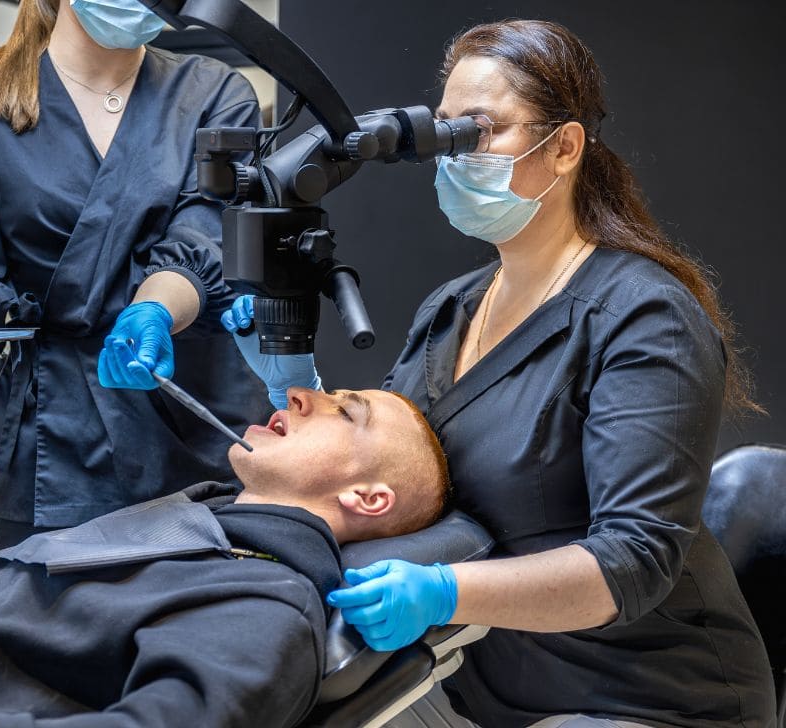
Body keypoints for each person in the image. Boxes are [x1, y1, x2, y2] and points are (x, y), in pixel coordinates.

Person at [223, 19, 776, 728]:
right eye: (445, 133)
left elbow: (631, 563)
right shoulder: (452, 310)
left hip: (646, 697)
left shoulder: (644, 319)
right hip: (480, 685)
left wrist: (444, 592)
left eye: (479, 132)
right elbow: (394, 472)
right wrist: (289, 382)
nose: (456, 158)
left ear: (566, 147)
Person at [0, 388, 448, 728]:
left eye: (344, 411)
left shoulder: (262, 603)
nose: (301, 395)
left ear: (369, 496)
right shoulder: (186, 527)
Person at [0, 0, 268, 550]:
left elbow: (204, 233)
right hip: (56, 439)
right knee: (47, 618)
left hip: (195, 409)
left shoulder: (213, 93)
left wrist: (154, 308)